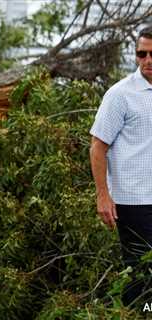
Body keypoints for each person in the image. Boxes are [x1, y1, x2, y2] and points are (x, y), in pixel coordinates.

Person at [90, 26, 152, 306]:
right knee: (140, 271)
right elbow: (97, 147)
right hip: (133, 200)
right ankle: (135, 314)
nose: (147, 60)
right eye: (142, 54)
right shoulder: (120, 94)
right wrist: (103, 195)